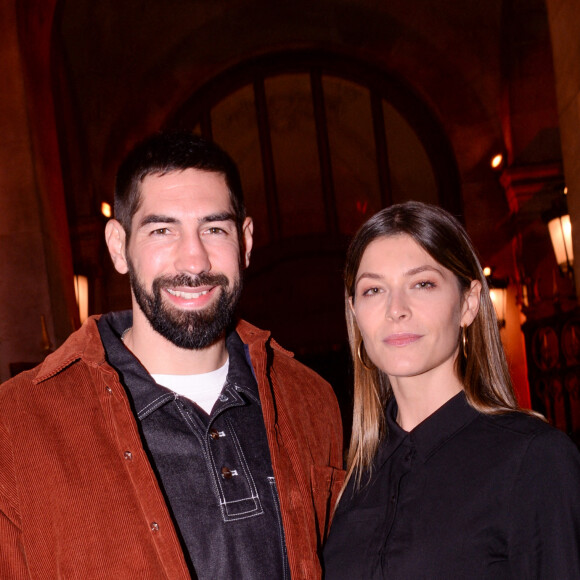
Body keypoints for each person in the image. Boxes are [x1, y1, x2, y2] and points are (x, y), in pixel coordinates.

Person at [0, 131, 344, 579]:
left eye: (214, 228)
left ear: (246, 240)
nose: (195, 260)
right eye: (163, 229)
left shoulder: (309, 398)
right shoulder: (18, 425)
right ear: (118, 246)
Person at [323, 201, 580, 579]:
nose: (396, 309)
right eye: (374, 290)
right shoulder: (352, 477)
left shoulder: (534, 459)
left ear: (469, 303)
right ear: (355, 312)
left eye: (422, 284)